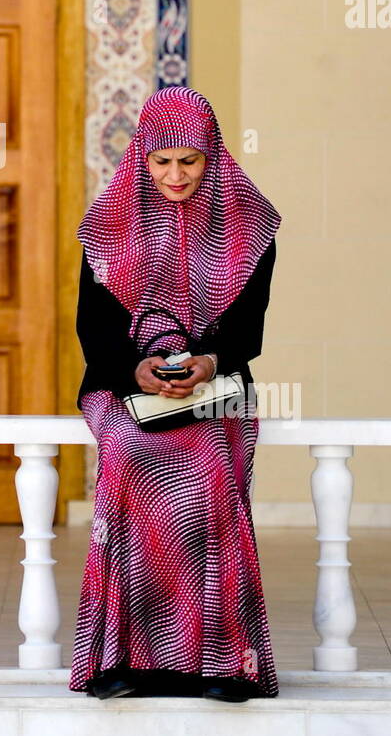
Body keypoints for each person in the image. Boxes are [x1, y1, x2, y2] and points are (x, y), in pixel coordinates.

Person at [68, 86, 280, 703]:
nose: (175, 174)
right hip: (125, 381)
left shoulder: (249, 223)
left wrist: (210, 362)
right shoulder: (109, 225)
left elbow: (249, 327)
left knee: (212, 462)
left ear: (210, 157)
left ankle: (217, 664)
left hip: (215, 385)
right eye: (162, 161)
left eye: (189, 160)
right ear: (142, 158)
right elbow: (93, 327)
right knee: (127, 455)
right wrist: (136, 369)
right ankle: (123, 662)